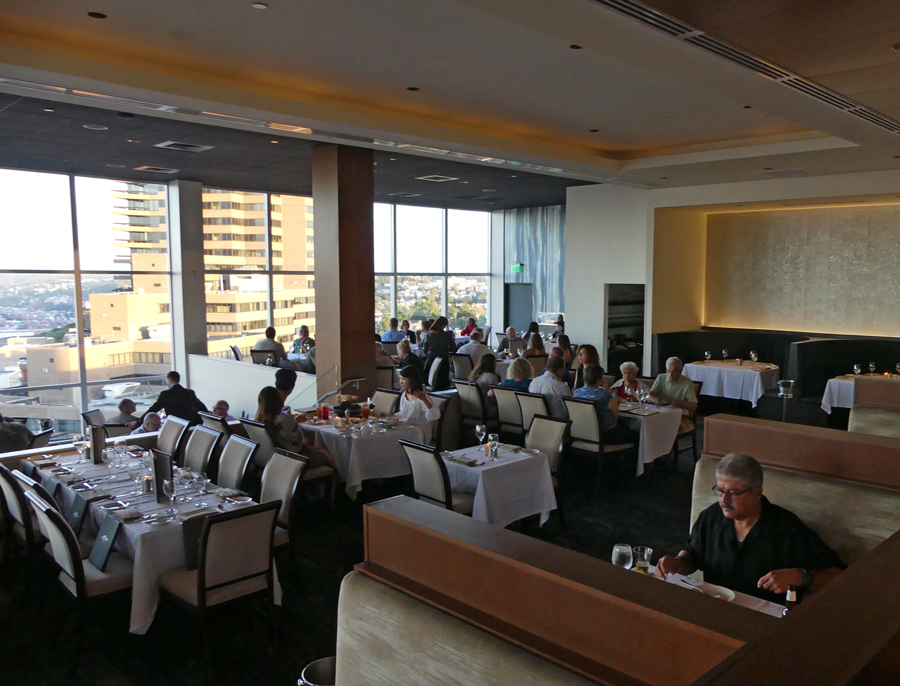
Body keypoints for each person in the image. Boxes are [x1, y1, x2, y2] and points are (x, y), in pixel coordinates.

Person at [655, 453, 844, 603]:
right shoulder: (711, 517)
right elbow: (692, 557)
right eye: (720, 491)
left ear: (757, 493)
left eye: (733, 493)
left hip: (764, 621)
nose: (724, 500)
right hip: (714, 608)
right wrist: (677, 563)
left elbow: (838, 576)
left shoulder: (786, 528)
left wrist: (801, 577)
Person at [255, 386, 330, 469]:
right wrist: (290, 420)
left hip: (272, 460)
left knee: (319, 449)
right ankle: (337, 480)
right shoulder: (286, 420)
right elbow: (299, 444)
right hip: (293, 461)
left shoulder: (258, 421)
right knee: (326, 453)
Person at [573, 364, 637, 445]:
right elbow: (616, 411)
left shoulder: (576, 392)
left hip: (583, 433)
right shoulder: (604, 394)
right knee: (636, 435)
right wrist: (607, 388)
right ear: (599, 379)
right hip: (605, 434)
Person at [649, 356, 698, 431]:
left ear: (680, 371)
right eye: (668, 371)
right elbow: (649, 395)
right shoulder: (661, 378)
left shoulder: (687, 383)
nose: (670, 375)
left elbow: (694, 405)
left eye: (674, 371)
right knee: (648, 423)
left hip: (678, 415)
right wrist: (654, 399)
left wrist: (681, 403)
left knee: (660, 426)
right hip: (661, 412)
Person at [143, 371, 208, 425]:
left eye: (166, 381)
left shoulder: (166, 394)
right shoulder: (189, 393)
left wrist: (139, 421)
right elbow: (202, 408)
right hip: (188, 426)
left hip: (173, 426)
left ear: (170, 380)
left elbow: (153, 409)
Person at [396, 367, 441, 444]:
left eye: (403, 379)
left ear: (411, 379)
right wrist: (390, 417)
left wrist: (424, 400)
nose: (401, 382)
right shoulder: (404, 395)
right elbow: (403, 413)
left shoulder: (421, 397)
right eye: (400, 379)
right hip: (407, 428)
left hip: (419, 431)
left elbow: (434, 416)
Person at [422, 316, 457, 391]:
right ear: (444, 325)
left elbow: (425, 351)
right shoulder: (447, 336)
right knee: (442, 383)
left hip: (430, 360)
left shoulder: (429, 335)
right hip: (443, 362)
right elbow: (454, 349)